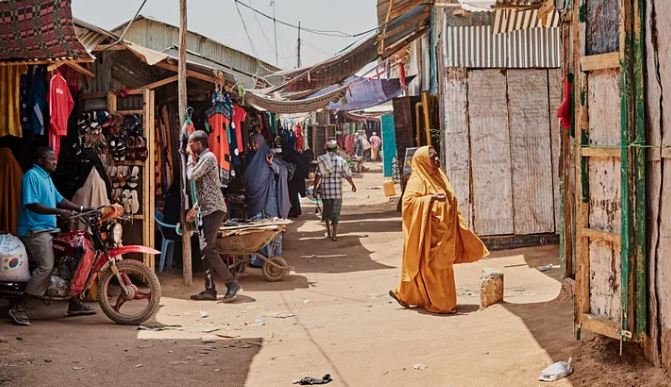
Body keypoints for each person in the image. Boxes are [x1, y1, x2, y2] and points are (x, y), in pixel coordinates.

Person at [389, 146, 489, 314]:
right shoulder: (418, 180)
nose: (436, 160)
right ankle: (440, 304)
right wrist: (431, 199)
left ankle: (408, 296)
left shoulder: (438, 176)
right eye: (432, 157)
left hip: (444, 234)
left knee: (443, 268)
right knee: (432, 269)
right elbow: (408, 204)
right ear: (423, 161)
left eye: (436, 156)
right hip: (428, 237)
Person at [9, 147, 96, 326]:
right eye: (51, 159)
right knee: (46, 266)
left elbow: (60, 199)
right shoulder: (32, 176)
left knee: (70, 259)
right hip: (35, 231)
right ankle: (19, 307)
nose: (55, 162)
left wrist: (82, 209)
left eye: (55, 159)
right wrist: (58, 212)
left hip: (49, 229)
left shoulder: (46, 177)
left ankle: (73, 302)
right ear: (40, 160)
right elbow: (32, 204)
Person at [187, 131, 241, 302]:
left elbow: (192, 176)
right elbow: (205, 187)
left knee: (208, 249)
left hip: (213, 210)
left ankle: (231, 283)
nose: (189, 147)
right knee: (205, 251)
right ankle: (210, 290)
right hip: (206, 209)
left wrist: (189, 159)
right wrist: (196, 208)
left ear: (198, 144)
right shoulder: (204, 158)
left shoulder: (208, 157)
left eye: (191, 144)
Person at [245, 134, 290, 267]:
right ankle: (260, 260)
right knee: (258, 229)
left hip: (270, 198)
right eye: (252, 143)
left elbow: (283, 171)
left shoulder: (269, 155)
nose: (254, 146)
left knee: (273, 228)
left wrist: (272, 165)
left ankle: (275, 257)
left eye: (255, 143)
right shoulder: (251, 158)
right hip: (256, 200)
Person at [314, 140, 357, 241]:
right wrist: (353, 185)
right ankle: (334, 235)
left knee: (327, 212)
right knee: (336, 213)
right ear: (336, 149)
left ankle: (328, 232)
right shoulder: (341, 160)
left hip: (326, 192)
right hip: (337, 192)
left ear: (327, 149)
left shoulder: (322, 160)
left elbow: (317, 176)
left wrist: (315, 188)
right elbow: (348, 175)